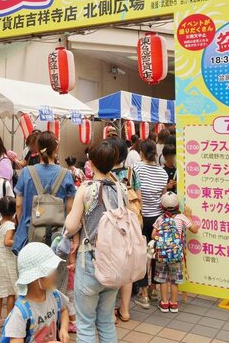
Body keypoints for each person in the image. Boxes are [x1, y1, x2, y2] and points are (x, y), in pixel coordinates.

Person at [64, 140, 127, 343]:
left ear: (91, 163)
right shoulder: (121, 189)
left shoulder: (86, 189)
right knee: (107, 321)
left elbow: (71, 226)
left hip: (90, 259)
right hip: (115, 262)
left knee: (86, 324)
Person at [13, 131, 76, 254]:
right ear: (56, 148)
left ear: (37, 148)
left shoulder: (27, 172)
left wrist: (23, 225)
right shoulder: (66, 174)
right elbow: (69, 209)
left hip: (29, 233)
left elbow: (19, 205)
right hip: (56, 237)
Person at [0, 243, 69, 343]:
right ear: (36, 278)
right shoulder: (20, 314)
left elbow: (63, 310)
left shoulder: (55, 295)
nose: (56, 274)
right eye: (51, 271)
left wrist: (63, 329)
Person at [105, 136, 141, 322]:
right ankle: (125, 311)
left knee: (112, 268)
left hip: (112, 226)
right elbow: (138, 197)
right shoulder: (130, 172)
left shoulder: (105, 174)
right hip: (130, 224)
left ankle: (110, 312)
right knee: (127, 270)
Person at [133, 139, 169, 308]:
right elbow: (163, 197)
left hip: (140, 217)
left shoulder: (135, 168)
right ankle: (154, 289)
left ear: (141, 152)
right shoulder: (163, 173)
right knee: (154, 255)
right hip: (157, 218)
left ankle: (144, 294)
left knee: (141, 254)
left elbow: (131, 192)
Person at [152, 192, 199, 313]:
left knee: (163, 279)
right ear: (178, 205)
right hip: (176, 255)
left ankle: (164, 303)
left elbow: (153, 235)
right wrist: (189, 216)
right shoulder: (181, 217)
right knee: (174, 280)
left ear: (162, 206)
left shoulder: (160, 218)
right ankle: (173, 303)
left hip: (162, 255)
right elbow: (194, 229)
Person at [0, 196, 19, 329]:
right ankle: (9, 320)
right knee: (10, 291)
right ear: (14, 211)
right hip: (7, 259)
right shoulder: (10, 225)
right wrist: (18, 242)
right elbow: (7, 242)